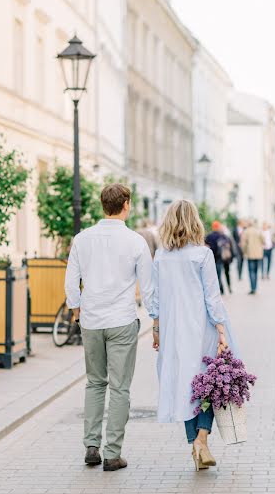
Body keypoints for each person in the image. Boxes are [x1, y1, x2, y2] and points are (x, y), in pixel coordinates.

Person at [65, 183, 153, 472]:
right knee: (120, 388)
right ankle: (112, 453)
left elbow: (71, 278)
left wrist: (76, 308)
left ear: (103, 204)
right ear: (126, 204)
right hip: (122, 321)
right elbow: (148, 286)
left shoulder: (82, 239)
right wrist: (156, 320)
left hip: (91, 320)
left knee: (94, 382)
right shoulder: (136, 241)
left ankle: (91, 445)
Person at [150, 200, 238, 471]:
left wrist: (156, 330)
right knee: (208, 382)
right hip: (202, 329)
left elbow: (154, 299)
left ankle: (197, 445)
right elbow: (212, 298)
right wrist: (222, 331)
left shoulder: (161, 256)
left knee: (186, 385)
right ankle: (202, 439)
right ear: (195, 222)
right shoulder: (202, 255)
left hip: (173, 330)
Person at [205, 221, 234, 294]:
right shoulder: (224, 236)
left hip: (216, 258)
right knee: (227, 273)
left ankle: (222, 290)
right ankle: (229, 287)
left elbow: (206, 247)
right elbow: (230, 247)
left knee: (218, 274)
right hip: (226, 258)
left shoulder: (209, 236)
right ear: (219, 227)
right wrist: (231, 258)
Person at [240, 220, 264, 295]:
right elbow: (263, 241)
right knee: (256, 271)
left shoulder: (246, 231)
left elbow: (243, 244)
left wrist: (244, 252)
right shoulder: (258, 231)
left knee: (251, 272)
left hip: (250, 254)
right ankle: (255, 287)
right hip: (258, 254)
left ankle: (253, 288)